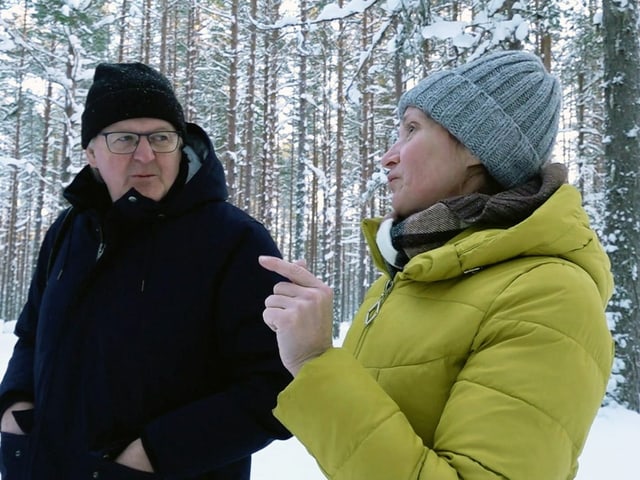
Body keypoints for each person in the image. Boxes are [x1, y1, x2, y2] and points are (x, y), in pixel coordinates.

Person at [259, 50, 614, 479]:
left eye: (412, 129)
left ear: (478, 149)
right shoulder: (411, 275)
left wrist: (316, 362)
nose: (388, 157)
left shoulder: (548, 296)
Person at [0, 62, 291, 479]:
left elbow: (276, 386)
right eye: (123, 139)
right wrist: (14, 408)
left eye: (161, 137)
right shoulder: (69, 231)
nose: (145, 154)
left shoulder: (235, 243)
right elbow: (31, 334)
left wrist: (152, 454)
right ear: (92, 154)